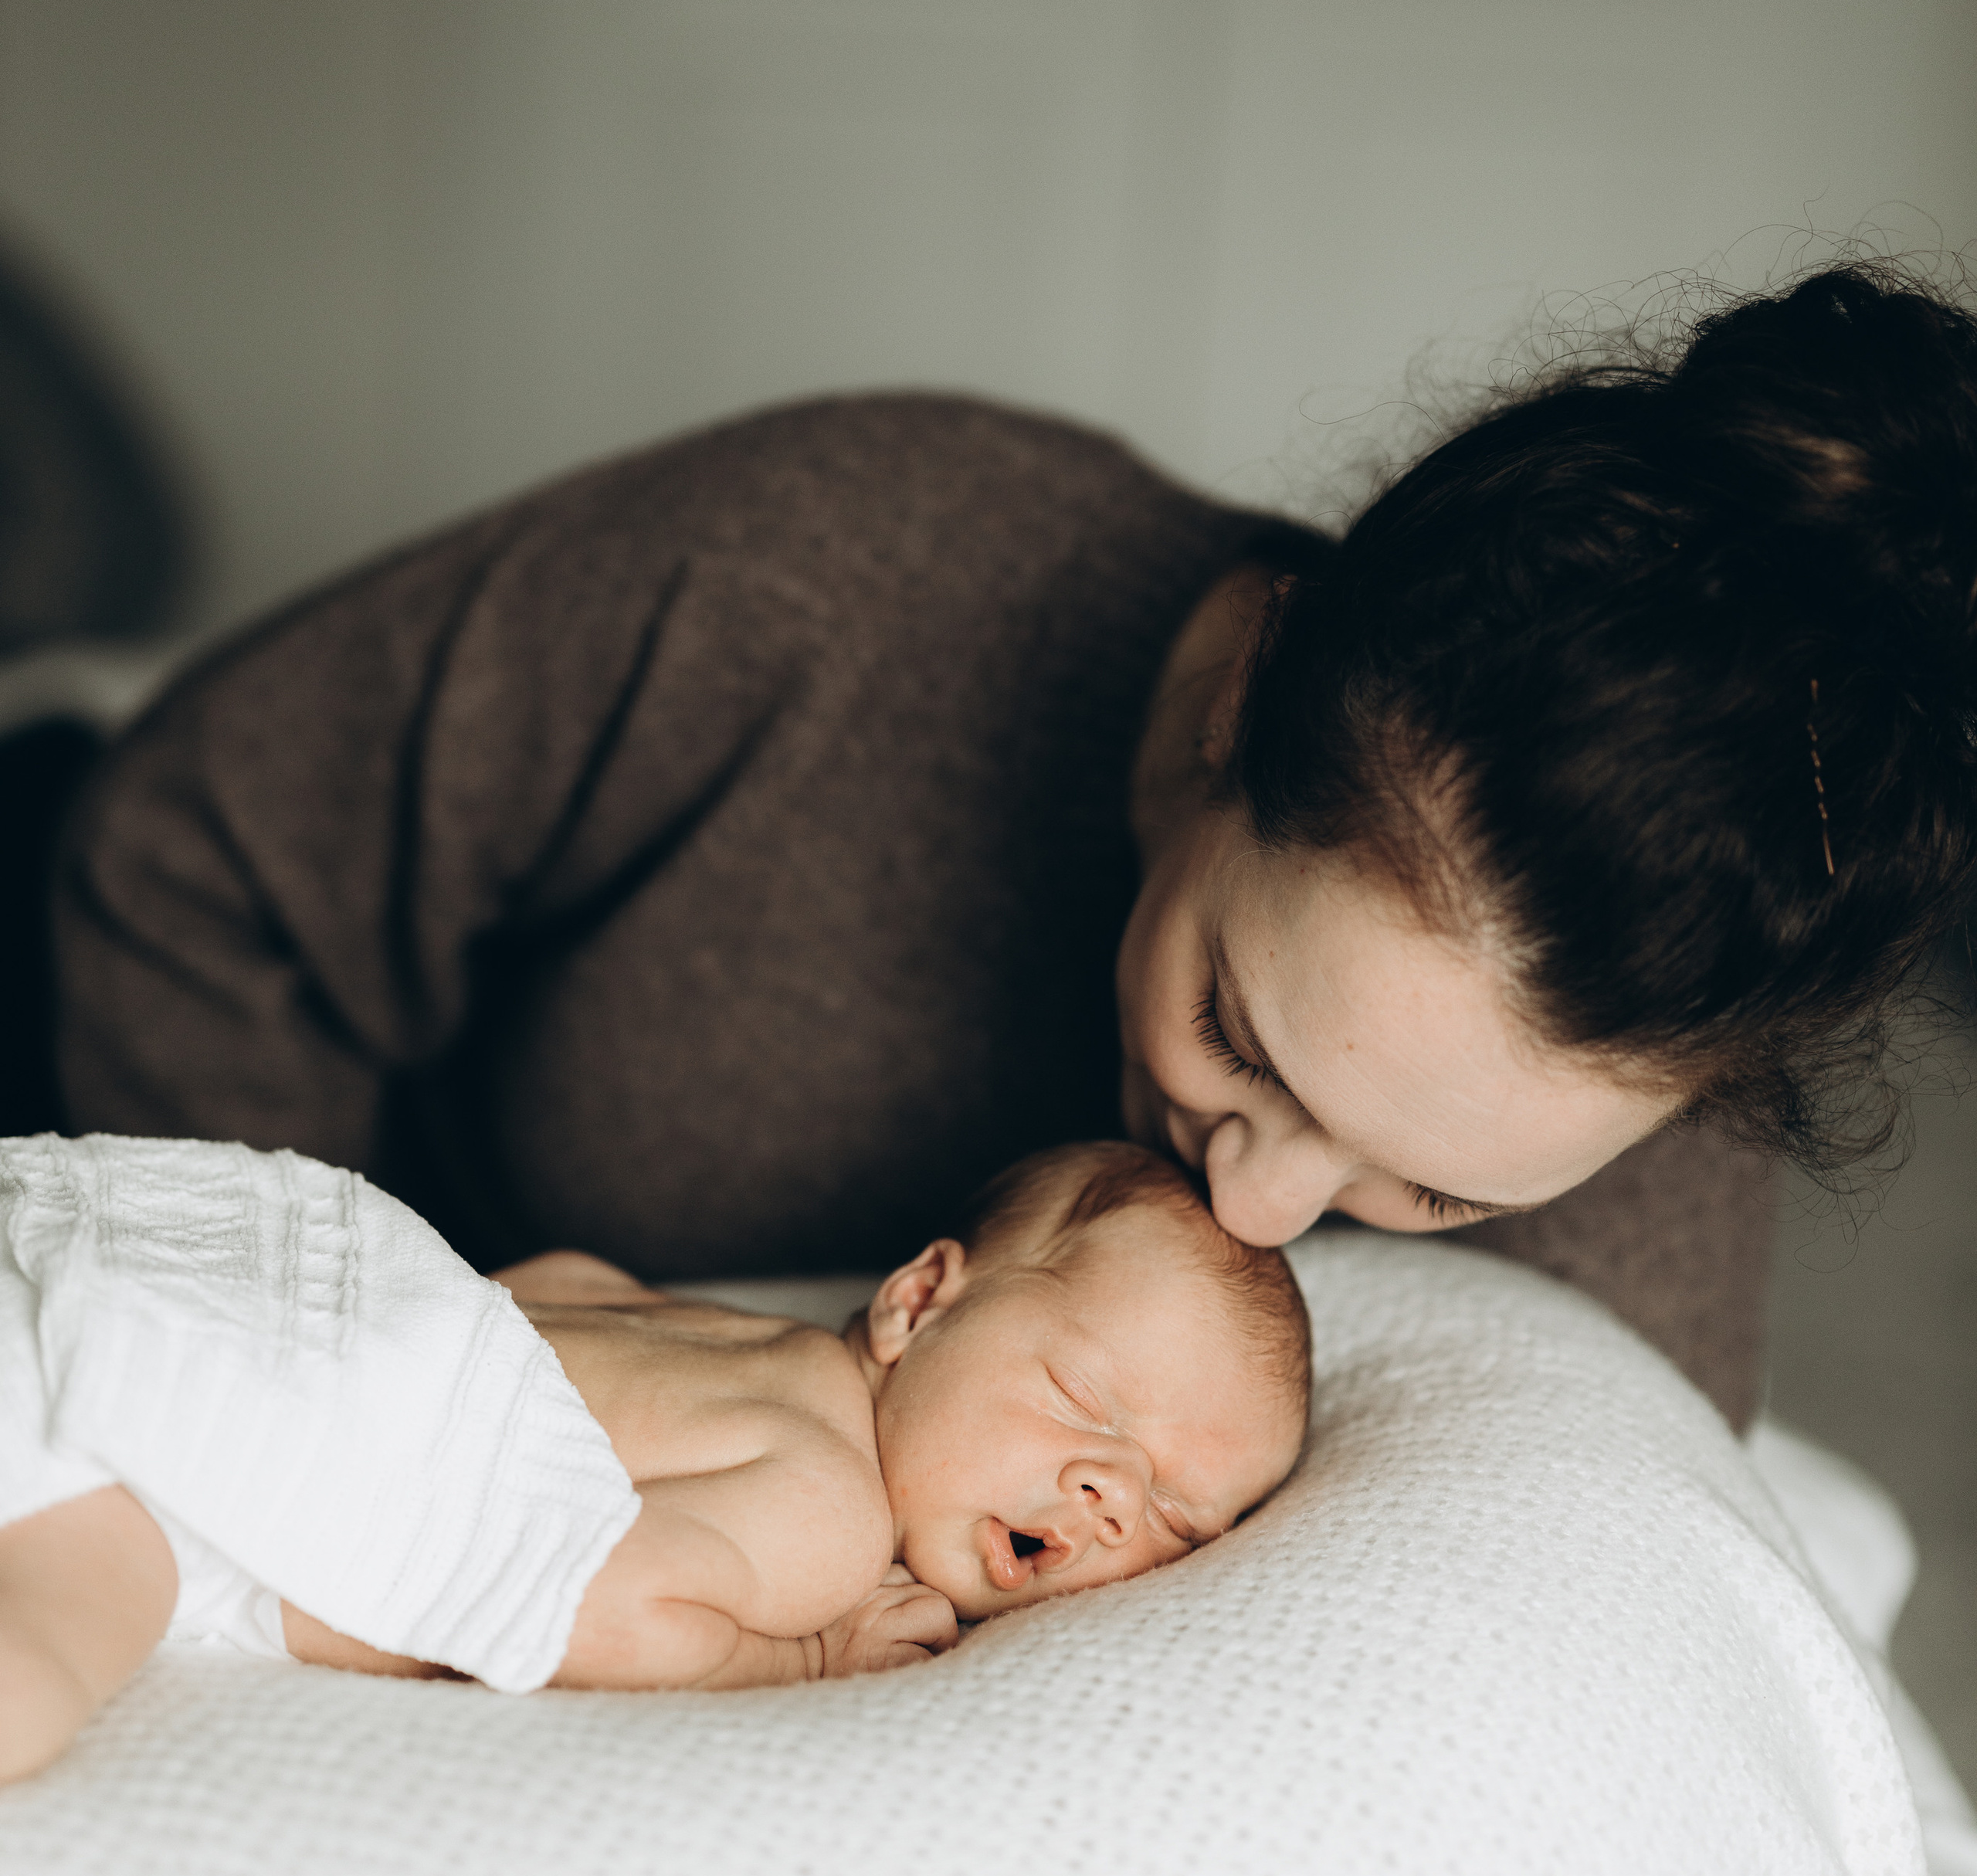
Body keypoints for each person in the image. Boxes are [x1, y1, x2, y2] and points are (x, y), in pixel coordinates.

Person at [49, 266, 1977, 1430]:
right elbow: (195, 856)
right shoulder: (843, 562)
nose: (1258, 1209)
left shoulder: (1645, 1124)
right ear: (1243, 692)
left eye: (1436, 1198)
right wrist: (355, 1363)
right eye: (1237, 1033)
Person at [0, 1135, 1307, 1782]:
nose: (1109, 1492)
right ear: (919, 1303)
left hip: (162, 1262)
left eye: (1179, 1520)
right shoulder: (827, 1513)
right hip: (175, 1451)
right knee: (38, 1664)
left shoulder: (680, 1319)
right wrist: (805, 1655)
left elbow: (532, 1289)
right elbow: (605, 1610)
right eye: (1086, 1403)